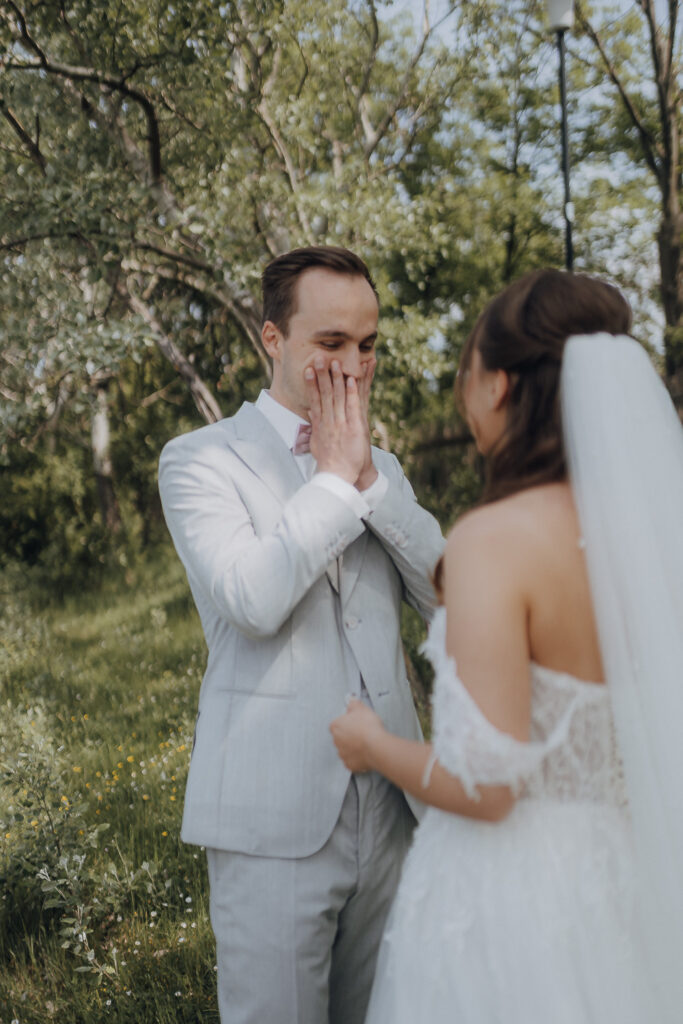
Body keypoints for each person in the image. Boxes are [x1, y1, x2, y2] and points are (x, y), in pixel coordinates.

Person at [330, 268, 683, 1023]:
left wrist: (372, 745)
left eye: (466, 369)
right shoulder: (652, 537)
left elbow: (487, 790)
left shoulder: (494, 539)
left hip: (520, 902)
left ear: (496, 385)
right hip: (620, 876)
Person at [158, 245, 444, 1024]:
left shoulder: (382, 469)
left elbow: (448, 598)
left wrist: (367, 478)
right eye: (330, 343)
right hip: (270, 819)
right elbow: (252, 599)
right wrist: (333, 481)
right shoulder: (199, 461)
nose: (353, 367)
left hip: (394, 809)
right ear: (272, 339)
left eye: (367, 344)